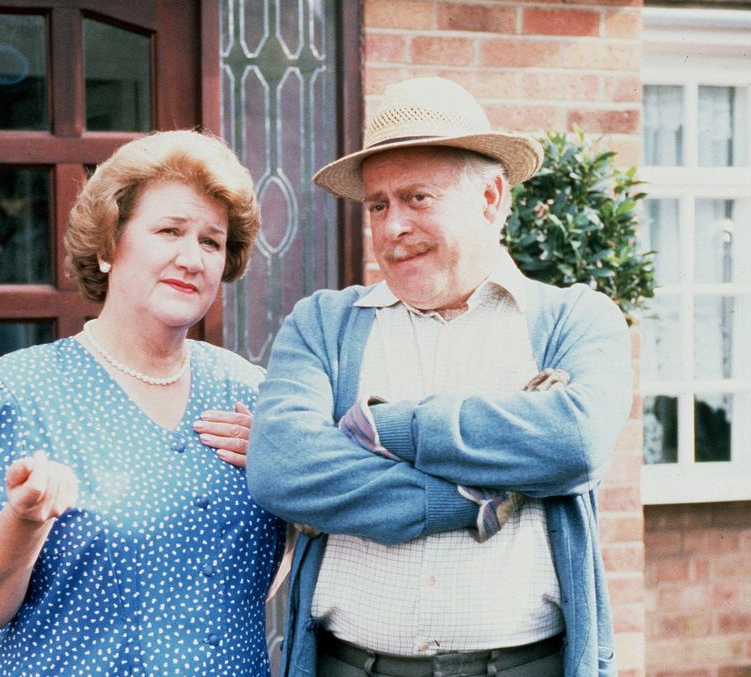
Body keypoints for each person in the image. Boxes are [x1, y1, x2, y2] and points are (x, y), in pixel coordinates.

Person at [246, 77, 633, 677]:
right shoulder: (323, 323)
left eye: (417, 198)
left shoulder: (571, 319)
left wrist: (382, 428)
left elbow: (573, 443)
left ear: (491, 198)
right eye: (378, 204)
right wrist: (467, 499)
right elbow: (283, 470)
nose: (392, 226)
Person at [0, 130, 286, 676]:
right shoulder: (19, 391)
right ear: (108, 246)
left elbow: (261, 570)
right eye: (169, 231)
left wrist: (293, 484)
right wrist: (24, 521)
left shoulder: (249, 392)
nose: (192, 258)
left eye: (211, 242)